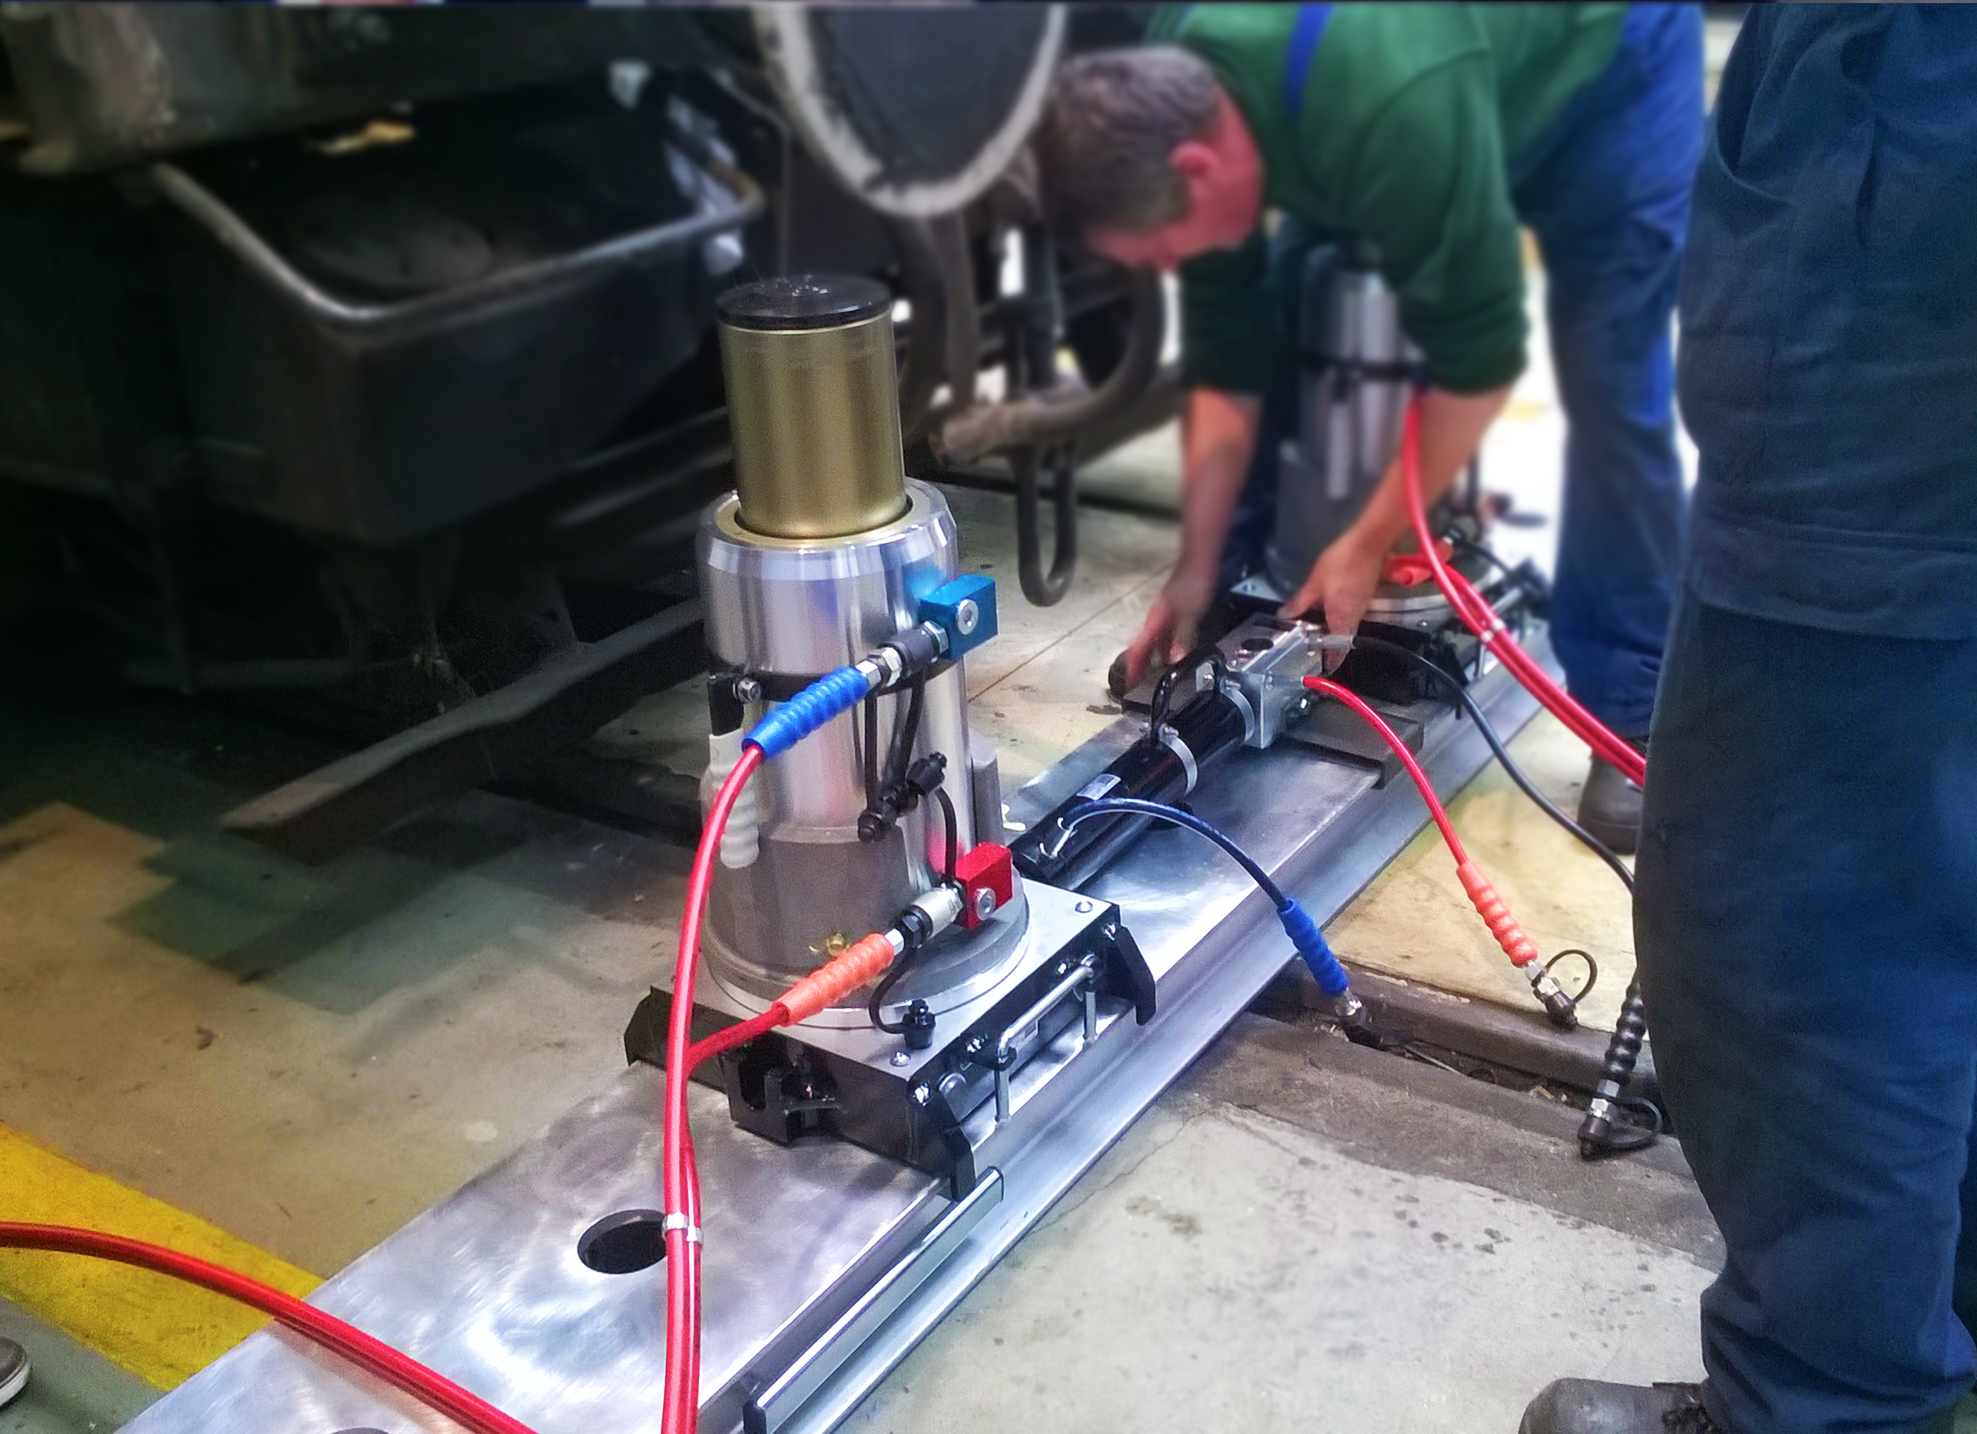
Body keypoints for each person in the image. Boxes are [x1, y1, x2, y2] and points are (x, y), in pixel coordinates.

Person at [1521, 8, 1977, 1433]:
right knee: (1935, 816)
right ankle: (1936, 1309)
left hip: (1912, 187)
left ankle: (1830, 1399)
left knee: (1809, 912)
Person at [1033, 5, 1702, 851]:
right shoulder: (1173, 74)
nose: (1171, 268)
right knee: (1294, 287)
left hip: (1604, 62)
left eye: (1164, 250)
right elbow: (1226, 340)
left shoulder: (1395, 99)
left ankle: (1630, 714)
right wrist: (1199, 557)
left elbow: (1478, 366)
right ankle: (1242, 589)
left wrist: (1364, 541)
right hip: (1397, 81)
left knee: (1609, 363)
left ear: (1198, 166)